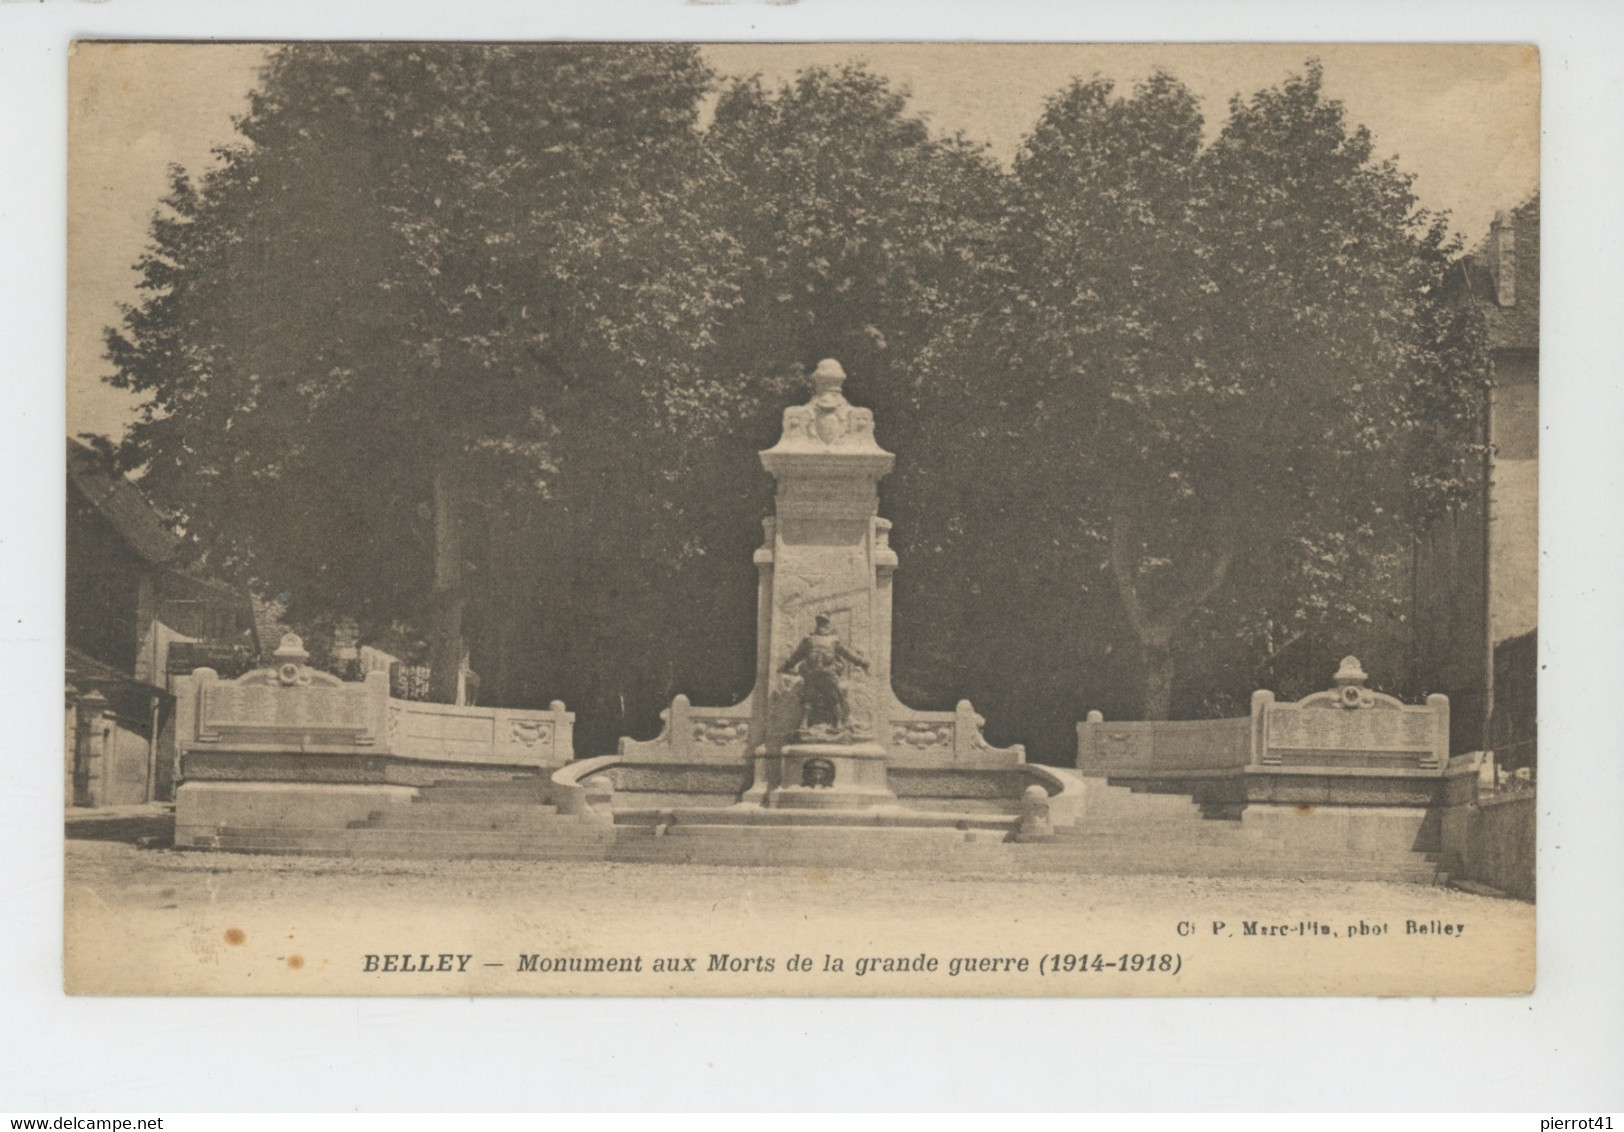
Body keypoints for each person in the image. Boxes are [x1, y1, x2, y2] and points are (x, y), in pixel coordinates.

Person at [778, 613, 869, 739]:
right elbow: (848, 654)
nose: (822, 626)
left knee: (821, 697)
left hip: (820, 673)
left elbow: (795, 657)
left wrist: (786, 665)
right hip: (820, 673)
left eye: (822, 623)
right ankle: (830, 724)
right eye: (821, 623)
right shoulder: (817, 640)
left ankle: (827, 723)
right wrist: (861, 662)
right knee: (828, 697)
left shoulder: (814, 640)